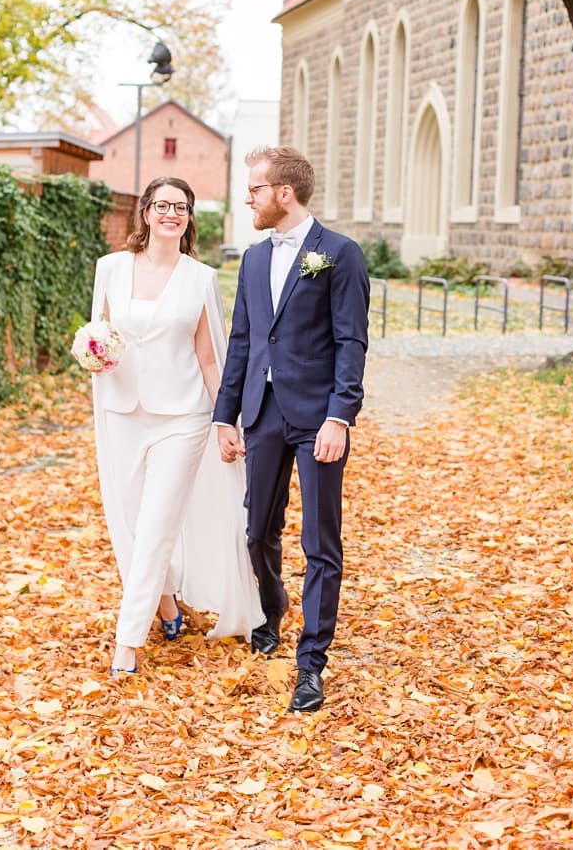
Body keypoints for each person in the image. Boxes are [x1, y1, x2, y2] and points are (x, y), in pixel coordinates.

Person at [214, 145, 369, 714]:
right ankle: (272, 606)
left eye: (255, 188)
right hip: (263, 412)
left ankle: (311, 663)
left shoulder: (340, 255)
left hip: (318, 415)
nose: (247, 198)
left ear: (284, 193)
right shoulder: (253, 260)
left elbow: (351, 342)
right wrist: (223, 417)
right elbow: (242, 343)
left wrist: (339, 416)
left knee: (320, 542)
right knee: (257, 531)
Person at [90, 177, 264, 677]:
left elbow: (211, 360)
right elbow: (99, 334)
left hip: (182, 416)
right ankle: (166, 603)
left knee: (158, 520)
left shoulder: (199, 278)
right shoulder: (110, 269)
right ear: (144, 212)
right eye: (162, 205)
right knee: (126, 520)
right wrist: (93, 357)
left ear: (189, 218)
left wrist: (225, 419)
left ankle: (127, 641)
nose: (172, 213)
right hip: (122, 411)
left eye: (181, 207)